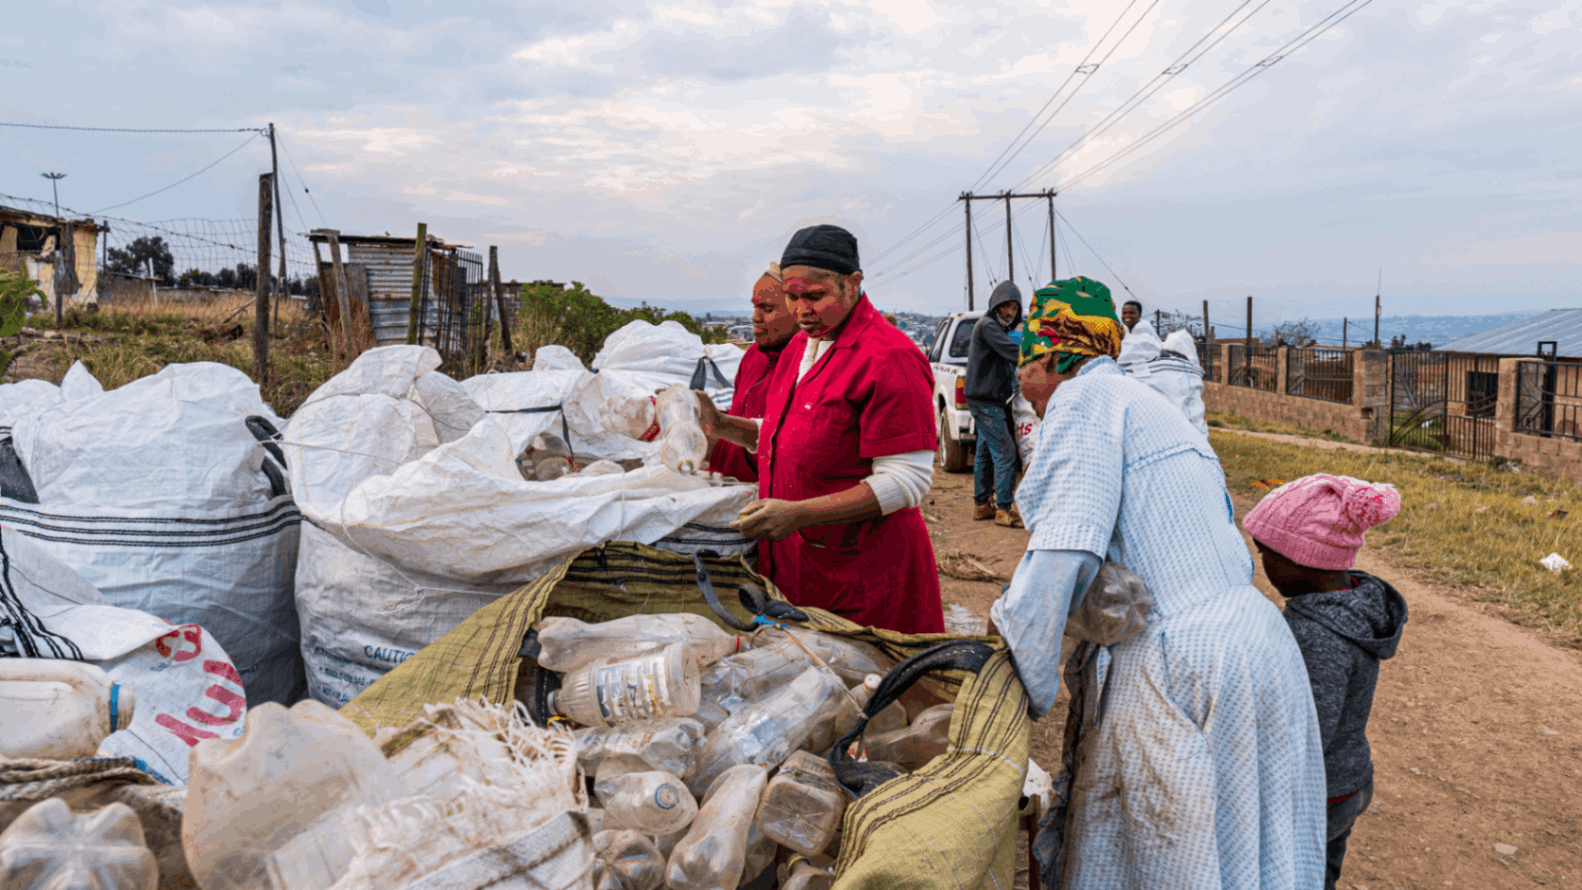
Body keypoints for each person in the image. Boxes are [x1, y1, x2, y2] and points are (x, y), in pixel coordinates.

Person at [990, 276, 1326, 888]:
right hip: (1253, 646)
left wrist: (1013, 668)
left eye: (1024, 366)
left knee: (1170, 851)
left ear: (1050, 355)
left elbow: (1064, 551)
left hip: (1183, 667)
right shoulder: (1142, 404)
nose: (1022, 384)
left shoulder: (1084, 402)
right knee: (1243, 841)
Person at [697, 225, 944, 634]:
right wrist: (722, 425)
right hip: (803, 566)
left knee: (871, 686)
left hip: (864, 576)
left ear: (853, 284)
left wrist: (801, 512)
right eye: (792, 297)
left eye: (814, 297)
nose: (801, 311)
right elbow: (787, 432)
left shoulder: (889, 358)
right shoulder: (800, 348)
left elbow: (906, 481)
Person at [1244, 475, 1407, 890]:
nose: (1263, 565)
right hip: (1349, 777)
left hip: (1321, 793)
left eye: (1267, 555)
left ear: (1301, 559)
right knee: (1323, 871)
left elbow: (1308, 730)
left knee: (1301, 874)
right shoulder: (1355, 603)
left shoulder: (1317, 632)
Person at [708, 263, 797, 483]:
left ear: (799, 310)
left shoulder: (806, 367)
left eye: (767, 309)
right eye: (755, 307)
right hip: (731, 478)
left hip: (771, 493)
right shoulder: (754, 356)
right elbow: (740, 414)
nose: (755, 317)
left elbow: (786, 442)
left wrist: (719, 423)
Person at [964, 280, 1024, 528]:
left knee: (986, 452)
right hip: (986, 399)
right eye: (1005, 306)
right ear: (995, 305)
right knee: (1006, 453)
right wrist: (1042, 352)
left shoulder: (996, 328)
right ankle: (1004, 509)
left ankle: (982, 505)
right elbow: (1013, 352)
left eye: (1013, 308)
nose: (1008, 312)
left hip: (988, 398)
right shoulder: (988, 326)